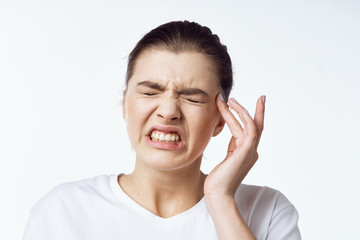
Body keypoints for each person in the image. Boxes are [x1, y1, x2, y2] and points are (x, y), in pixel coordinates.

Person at [24, 21, 301, 240]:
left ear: (220, 120)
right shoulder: (63, 212)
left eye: (192, 98)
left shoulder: (268, 211)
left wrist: (219, 198)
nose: (169, 111)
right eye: (149, 92)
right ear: (125, 105)